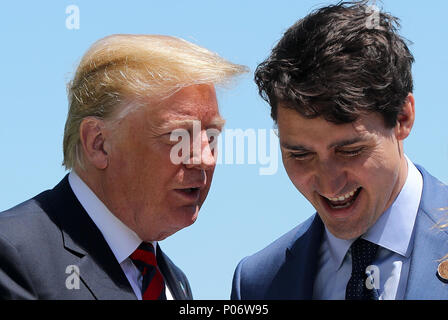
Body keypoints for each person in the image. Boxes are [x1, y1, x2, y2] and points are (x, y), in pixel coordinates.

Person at [0, 34, 246, 299]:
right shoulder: (13, 253)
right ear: (99, 143)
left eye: (211, 137)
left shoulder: (173, 282)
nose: (206, 159)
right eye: (178, 137)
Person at [231, 1, 448, 300]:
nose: (329, 184)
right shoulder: (256, 284)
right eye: (301, 155)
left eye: (349, 151)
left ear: (402, 118)